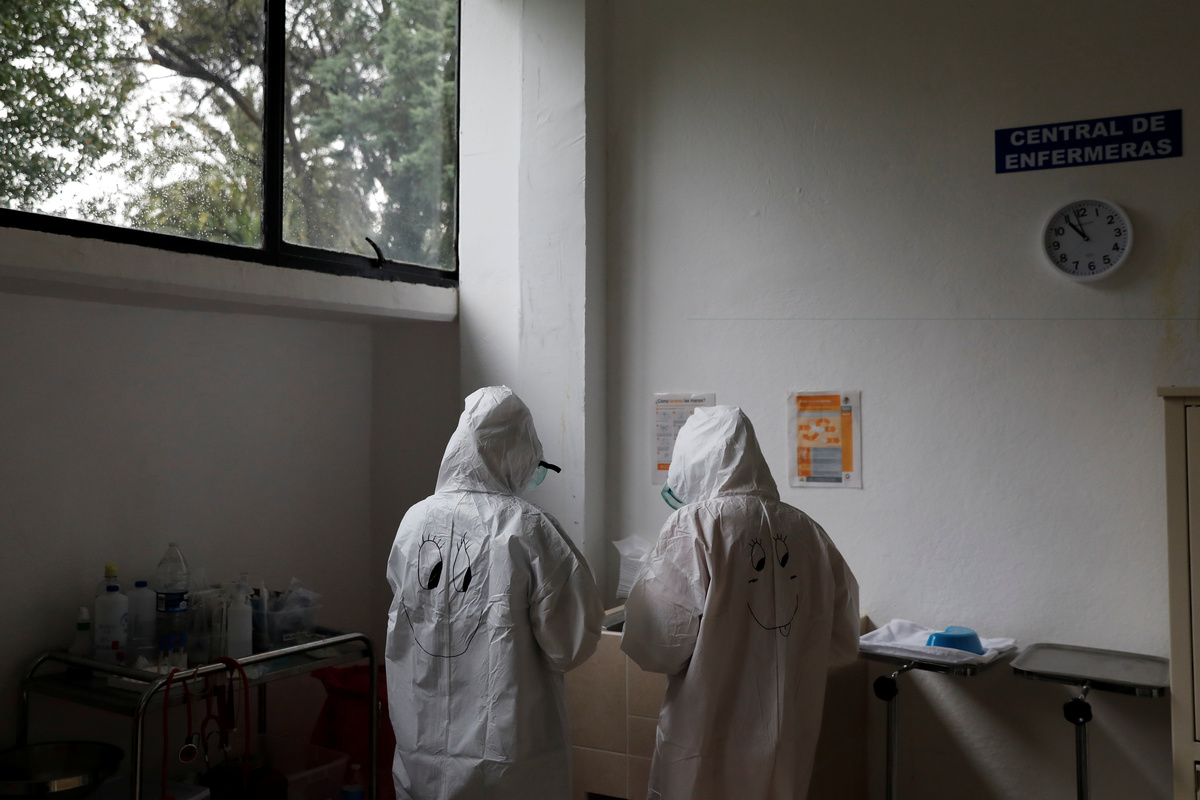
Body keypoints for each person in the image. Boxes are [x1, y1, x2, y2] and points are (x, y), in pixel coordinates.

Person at [621, 405, 859, 800]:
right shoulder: (807, 531)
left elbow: (656, 646)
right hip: (788, 737)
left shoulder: (696, 524)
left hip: (707, 738)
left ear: (690, 462)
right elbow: (841, 641)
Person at [385, 385, 604, 800]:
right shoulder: (528, 527)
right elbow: (570, 645)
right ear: (518, 454)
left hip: (421, 749)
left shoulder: (414, 522)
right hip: (505, 758)